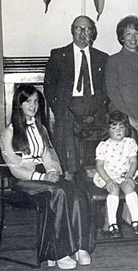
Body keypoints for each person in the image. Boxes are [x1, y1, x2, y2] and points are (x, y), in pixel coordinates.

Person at [0, 85, 92, 269]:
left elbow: (48, 155)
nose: (33, 106)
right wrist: (42, 176)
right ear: (18, 104)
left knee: (74, 190)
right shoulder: (8, 132)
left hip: (44, 174)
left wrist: (52, 171)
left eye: (35, 101)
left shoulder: (40, 127)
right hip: (23, 180)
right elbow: (15, 167)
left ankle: (79, 246)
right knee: (58, 193)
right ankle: (59, 252)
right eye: (28, 101)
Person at [44, 15, 109, 181]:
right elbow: (49, 87)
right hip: (67, 112)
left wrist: (101, 110)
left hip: (94, 113)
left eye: (87, 29)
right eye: (78, 28)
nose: (82, 32)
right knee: (68, 170)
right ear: (72, 31)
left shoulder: (102, 58)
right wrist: (59, 111)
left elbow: (106, 89)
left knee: (93, 166)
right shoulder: (58, 55)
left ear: (93, 33)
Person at [106, 15, 138, 169]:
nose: (133, 38)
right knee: (122, 163)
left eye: (137, 33)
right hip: (121, 118)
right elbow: (113, 93)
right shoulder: (113, 61)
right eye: (128, 34)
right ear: (121, 37)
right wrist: (130, 119)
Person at [93, 110, 138, 238]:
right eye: (114, 128)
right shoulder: (103, 146)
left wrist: (130, 176)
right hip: (107, 176)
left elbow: (133, 162)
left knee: (129, 187)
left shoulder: (130, 143)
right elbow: (99, 166)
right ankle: (112, 224)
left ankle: (135, 221)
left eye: (121, 127)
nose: (118, 130)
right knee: (113, 189)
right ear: (107, 130)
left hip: (125, 175)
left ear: (126, 128)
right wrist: (108, 181)